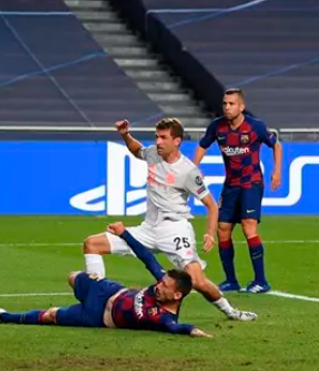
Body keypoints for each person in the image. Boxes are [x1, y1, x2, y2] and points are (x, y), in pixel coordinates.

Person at [82, 118, 256, 321]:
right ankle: (95, 298)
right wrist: (124, 135)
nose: (158, 142)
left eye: (163, 137)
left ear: (177, 141)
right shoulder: (154, 154)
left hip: (175, 230)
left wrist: (209, 233)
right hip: (147, 229)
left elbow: (210, 204)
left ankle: (231, 312)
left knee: (197, 281)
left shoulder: (188, 171)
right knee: (92, 244)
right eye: (157, 137)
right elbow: (137, 150)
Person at [0, 222, 213, 338]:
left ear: (177, 295)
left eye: (165, 287)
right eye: (161, 282)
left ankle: (2, 316)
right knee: (72, 276)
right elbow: (147, 257)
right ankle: (91, 281)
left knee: (52, 315)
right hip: (108, 289)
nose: (159, 286)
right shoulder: (163, 284)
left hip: (97, 317)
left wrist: (193, 331)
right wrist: (124, 234)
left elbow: (175, 328)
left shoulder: (163, 318)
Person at [194, 88, 282, 293]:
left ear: (241, 106)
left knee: (248, 226)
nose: (227, 107)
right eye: (224, 103)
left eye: (231, 104)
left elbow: (276, 146)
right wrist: (194, 168)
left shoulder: (255, 126)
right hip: (231, 185)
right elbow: (201, 146)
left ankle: (261, 281)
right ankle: (231, 280)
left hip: (251, 183)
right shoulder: (217, 126)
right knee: (223, 229)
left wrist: (276, 172)